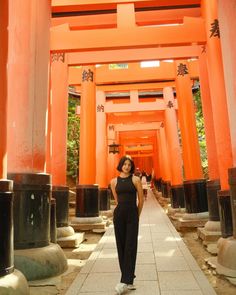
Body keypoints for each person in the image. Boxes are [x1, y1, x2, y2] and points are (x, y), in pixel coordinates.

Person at [110, 156, 144, 295]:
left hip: (132, 215)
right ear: (121, 165)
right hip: (119, 215)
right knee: (121, 245)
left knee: (131, 245)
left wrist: (137, 215)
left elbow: (141, 200)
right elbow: (117, 200)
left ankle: (124, 280)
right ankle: (128, 281)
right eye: (124, 164)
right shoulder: (113, 181)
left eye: (129, 165)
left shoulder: (135, 180)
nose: (127, 167)